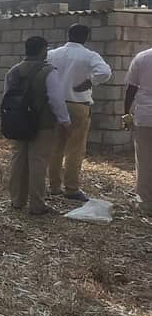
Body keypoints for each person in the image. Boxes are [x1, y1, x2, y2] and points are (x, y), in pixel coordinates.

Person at [5, 36, 72, 215]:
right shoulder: (48, 72)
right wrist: (65, 121)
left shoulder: (13, 71)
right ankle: (37, 204)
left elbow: (7, 96)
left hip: (18, 122)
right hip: (42, 124)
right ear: (43, 50)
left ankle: (17, 200)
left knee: (18, 161)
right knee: (38, 163)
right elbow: (56, 100)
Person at [46, 24, 112, 201]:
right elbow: (104, 72)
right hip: (78, 105)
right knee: (75, 149)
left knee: (55, 147)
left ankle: (54, 186)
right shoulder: (89, 55)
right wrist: (91, 81)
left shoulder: (52, 54)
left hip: (55, 105)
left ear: (68, 34)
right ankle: (71, 188)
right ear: (86, 37)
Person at [124, 46, 152, 215]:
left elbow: (131, 89)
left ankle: (145, 202)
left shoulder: (142, 57)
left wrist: (126, 113)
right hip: (144, 115)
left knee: (144, 160)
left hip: (145, 116)